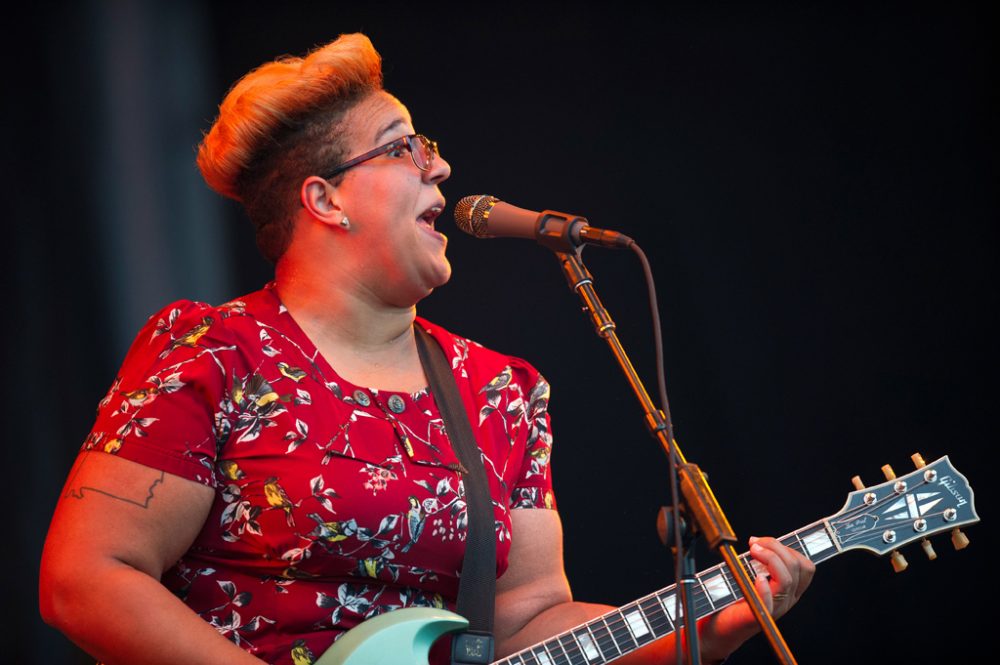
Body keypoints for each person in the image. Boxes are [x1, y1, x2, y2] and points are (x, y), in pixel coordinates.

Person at [39, 33, 814, 665]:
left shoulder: (499, 390)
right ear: (325, 198)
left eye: (428, 146)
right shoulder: (215, 351)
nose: (439, 165)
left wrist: (702, 632)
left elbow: (527, 624)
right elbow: (86, 578)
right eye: (403, 147)